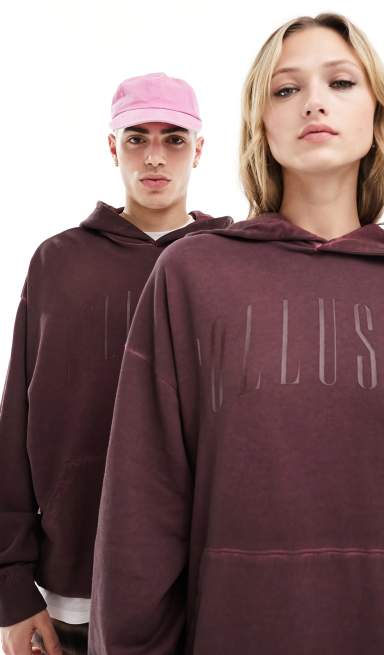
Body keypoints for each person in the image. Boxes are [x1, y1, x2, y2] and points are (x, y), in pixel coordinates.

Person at [89, 14, 384, 655]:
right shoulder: (192, 276)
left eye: (340, 82)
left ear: (377, 113)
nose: (314, 102)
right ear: (260, 122)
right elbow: (141, 506)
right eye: (286, 89)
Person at [0, 71, 232, 655]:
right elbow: (16, 422)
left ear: (199, 149)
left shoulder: (232, 265)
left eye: (174, 138)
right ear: (112, 146)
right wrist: (10, 588)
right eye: (136, 138)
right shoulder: (58, 262)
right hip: (78, 580)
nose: (154, 156)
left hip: (209, 584)